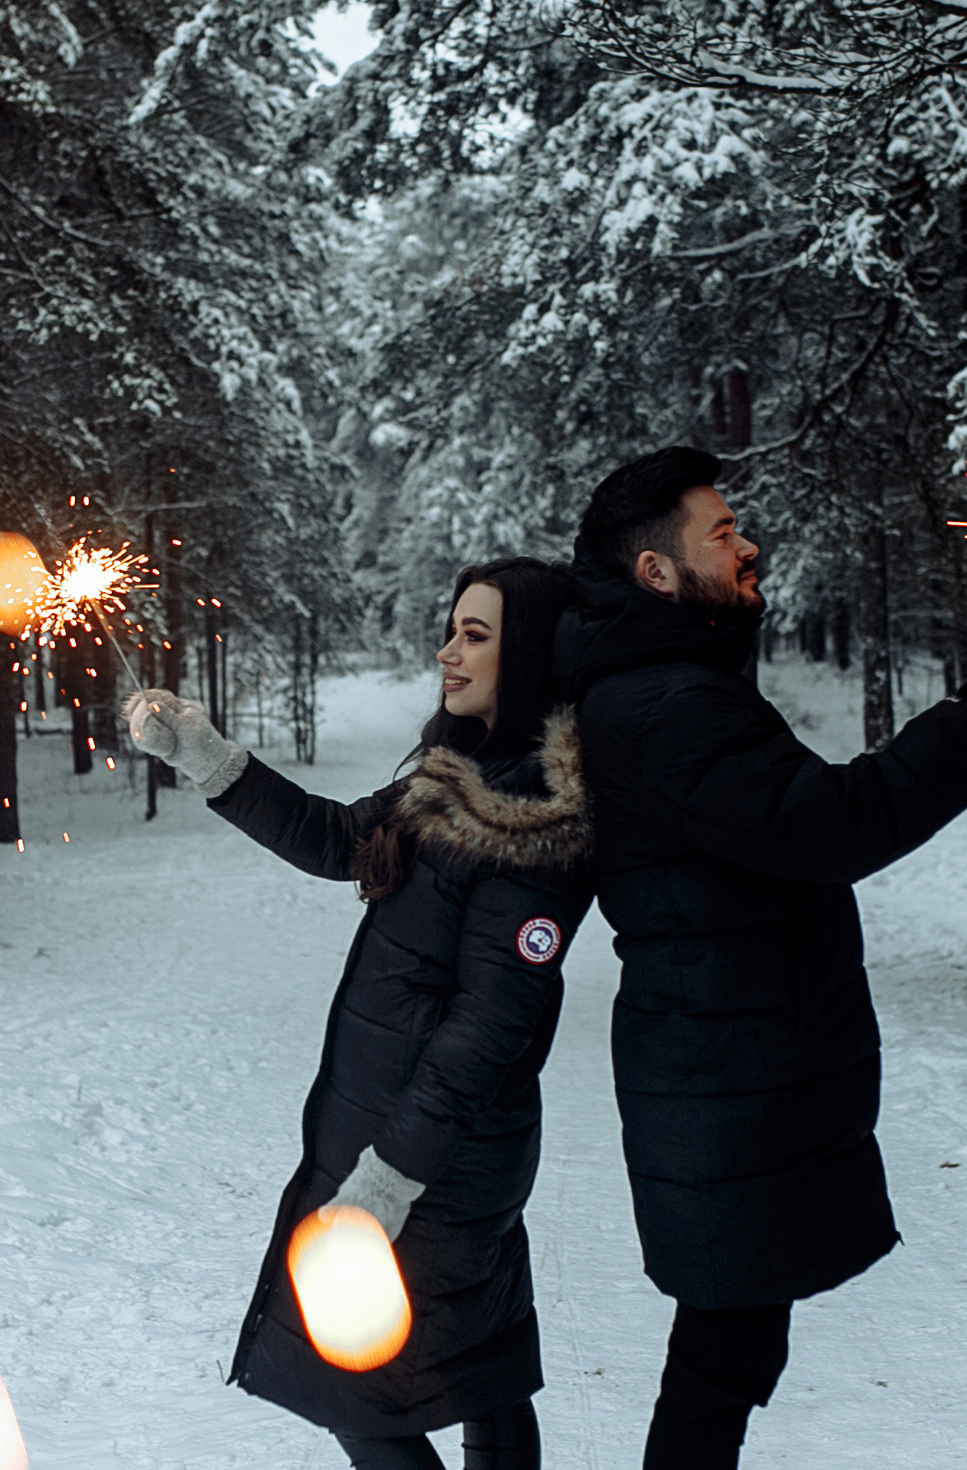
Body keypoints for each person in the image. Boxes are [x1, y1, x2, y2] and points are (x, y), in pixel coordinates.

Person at [551, 447, 967, 1470]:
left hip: (723, 1065)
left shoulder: (670, 686)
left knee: (729, 1343)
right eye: (722, 533)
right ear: (656, 573)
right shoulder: (665, 703)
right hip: (721, 1074)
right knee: (723, 1350)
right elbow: (832, 824)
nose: (750, 546)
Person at [127, 557, 594, 1470]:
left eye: (476, 634)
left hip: (433, 1166)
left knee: (358, 1389)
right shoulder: (455, 776)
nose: (446, 650)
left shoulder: (537, 818)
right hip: (425, 1149)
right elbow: (339, 838)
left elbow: (491, 1029)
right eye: (451, 627)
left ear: (531, 650)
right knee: (481, 1371)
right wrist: (209, 754)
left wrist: (390, 1178)